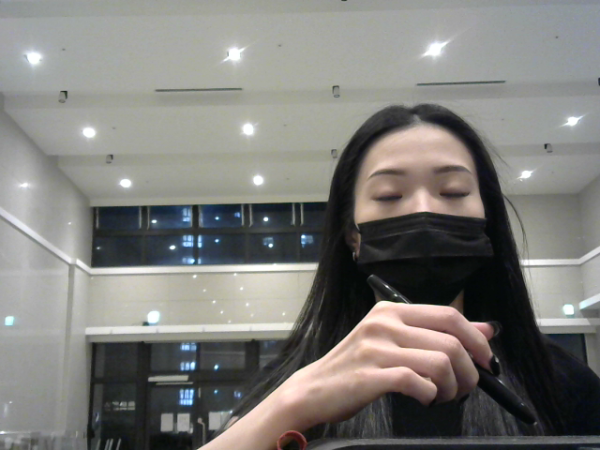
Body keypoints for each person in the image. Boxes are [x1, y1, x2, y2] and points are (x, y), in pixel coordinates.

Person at [201, 104, 600, 449]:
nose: (424, 210)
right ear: (353, 236)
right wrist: (294, 403)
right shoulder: (292, 380)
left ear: (487, 221)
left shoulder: (560, 380)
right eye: (389, 196)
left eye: (454, 191)